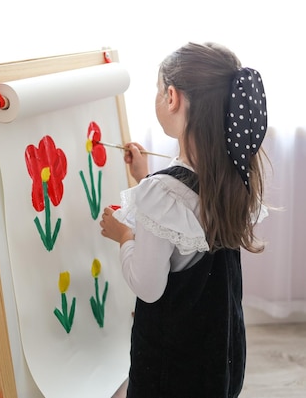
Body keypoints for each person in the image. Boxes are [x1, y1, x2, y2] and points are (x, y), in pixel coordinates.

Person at [99, 42, 269, 398]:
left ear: (171, 97)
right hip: (220, 359)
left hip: (171, 374)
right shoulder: (232, 175)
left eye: (158, 90)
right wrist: (145, 178)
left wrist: (125, 236)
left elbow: (148, 286)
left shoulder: (162, 194)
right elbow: (184, 225)